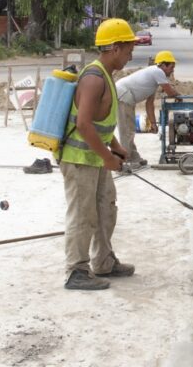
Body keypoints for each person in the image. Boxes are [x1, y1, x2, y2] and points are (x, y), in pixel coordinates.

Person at [56, 18, 136, 291]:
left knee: (105, 209)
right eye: (128, 48)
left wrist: (114, 145)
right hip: (80, 161)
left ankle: (103, 261)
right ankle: (76, 271)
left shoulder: (106, 75)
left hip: (95, 158)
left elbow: (100, 120)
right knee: (83, 215)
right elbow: (83, 124)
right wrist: (107, 157)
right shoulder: (93, 78)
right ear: (114, 47)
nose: (131, 54)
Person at [116, 50, 180, 166]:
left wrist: (153, 123)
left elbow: (149, 104)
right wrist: (179, 96)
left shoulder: (153, 80)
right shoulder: (157, 71)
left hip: (126, 96)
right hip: (123, 94)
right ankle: (125, 161)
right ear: (163, 65)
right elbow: (169, 91)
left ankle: (134, 157)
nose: (172, 70)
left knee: (129, 129)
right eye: (171, 67)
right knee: (127, 130)